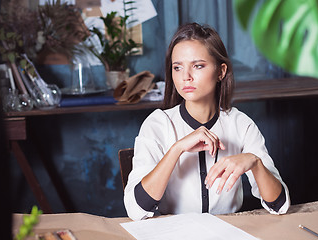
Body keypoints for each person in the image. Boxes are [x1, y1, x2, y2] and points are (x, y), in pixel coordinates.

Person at [124, 22, 290, 221]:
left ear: (221, 72)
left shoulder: (240, 124)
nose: (186, 77)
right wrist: (177, 149)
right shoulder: (158, 125)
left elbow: (279, 205)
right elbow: (135, 210)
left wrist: (255, 163)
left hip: (231, 231)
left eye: (198, 66)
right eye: (177, 67)